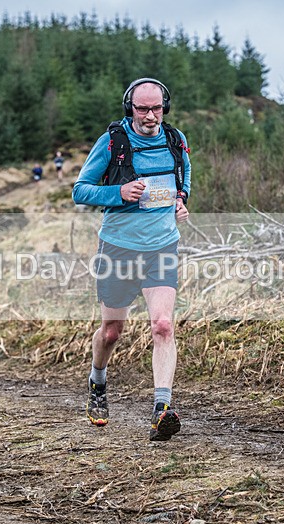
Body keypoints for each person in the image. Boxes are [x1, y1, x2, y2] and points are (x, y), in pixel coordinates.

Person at [72, 78, 191, 441]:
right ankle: (98, 380)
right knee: (112, 331)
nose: (150, 116)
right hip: (118, 248)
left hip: (161, 248)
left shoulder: (175, 140)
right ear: (130, 108)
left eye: (156, 108)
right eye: (142, 109)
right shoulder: (112, 143)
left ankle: (161, 410)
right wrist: (119, 192)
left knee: (163, 325)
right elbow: (80, 191)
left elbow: (184, 177)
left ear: (164, 107)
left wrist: (181, 200)